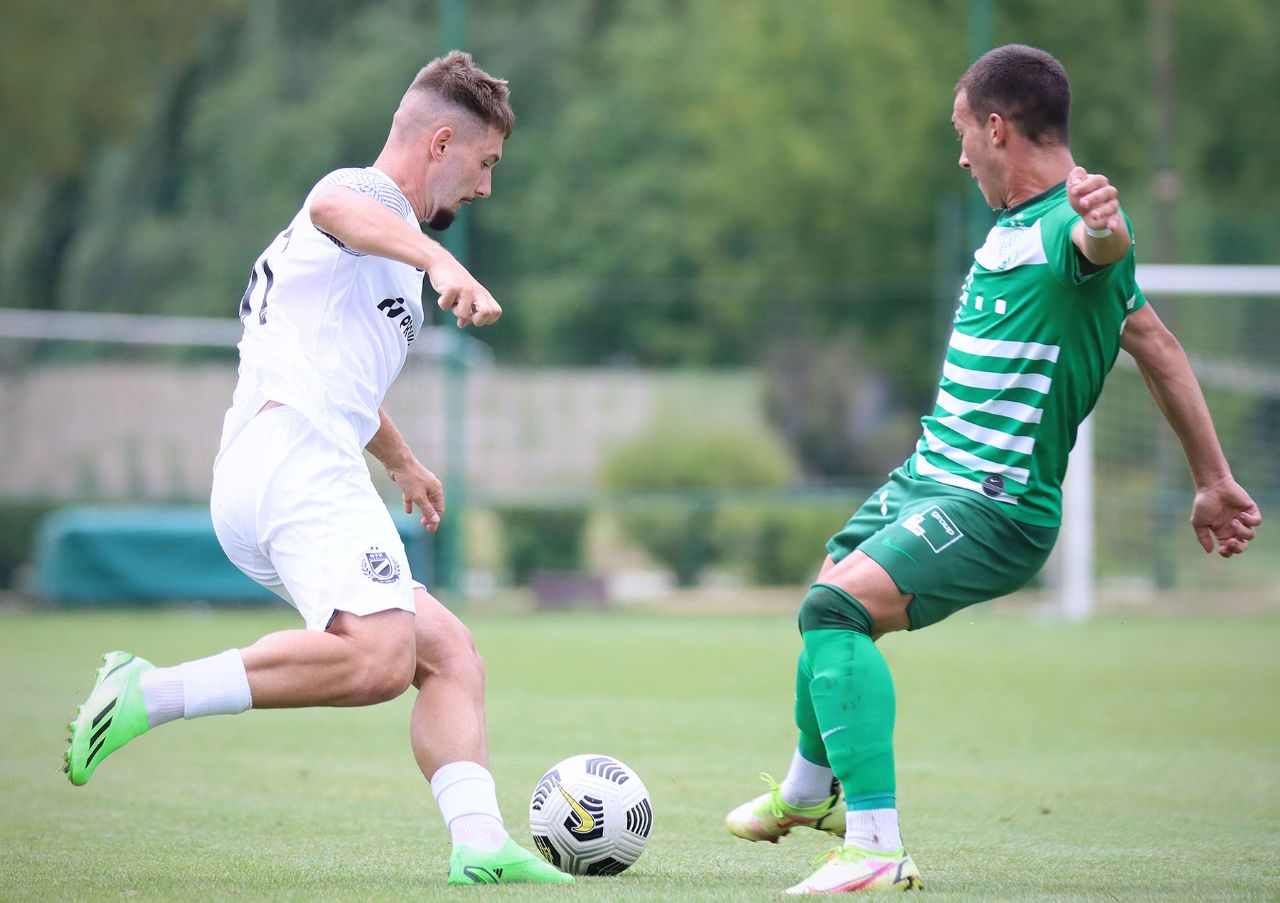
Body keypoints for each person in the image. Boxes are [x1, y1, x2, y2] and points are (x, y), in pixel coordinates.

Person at [724, 44, 1262, 894]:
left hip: (994, 503)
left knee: (835, 611)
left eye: (962, 132)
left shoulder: (1067, 228)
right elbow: (1157, 343)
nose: (960, 153)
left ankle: (874, 844)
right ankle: (807, 793)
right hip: (929, 475)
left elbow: (1100, 241)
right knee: (826, 593)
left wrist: (1106, 223)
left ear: (998, 128)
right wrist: (1212, 478)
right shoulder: (1016, 224)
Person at [63, 50, 573, 887]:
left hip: (277, 462)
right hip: (295, 456)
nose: (486, 187)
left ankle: (480, 840)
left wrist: (403, 461)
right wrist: (441, 261)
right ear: (440, 143)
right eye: (485, 164)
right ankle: (149, 692)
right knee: (378, 658)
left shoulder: (386, 252)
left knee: (449, 653)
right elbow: (332, 203)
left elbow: (339, 374)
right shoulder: (367, 196)